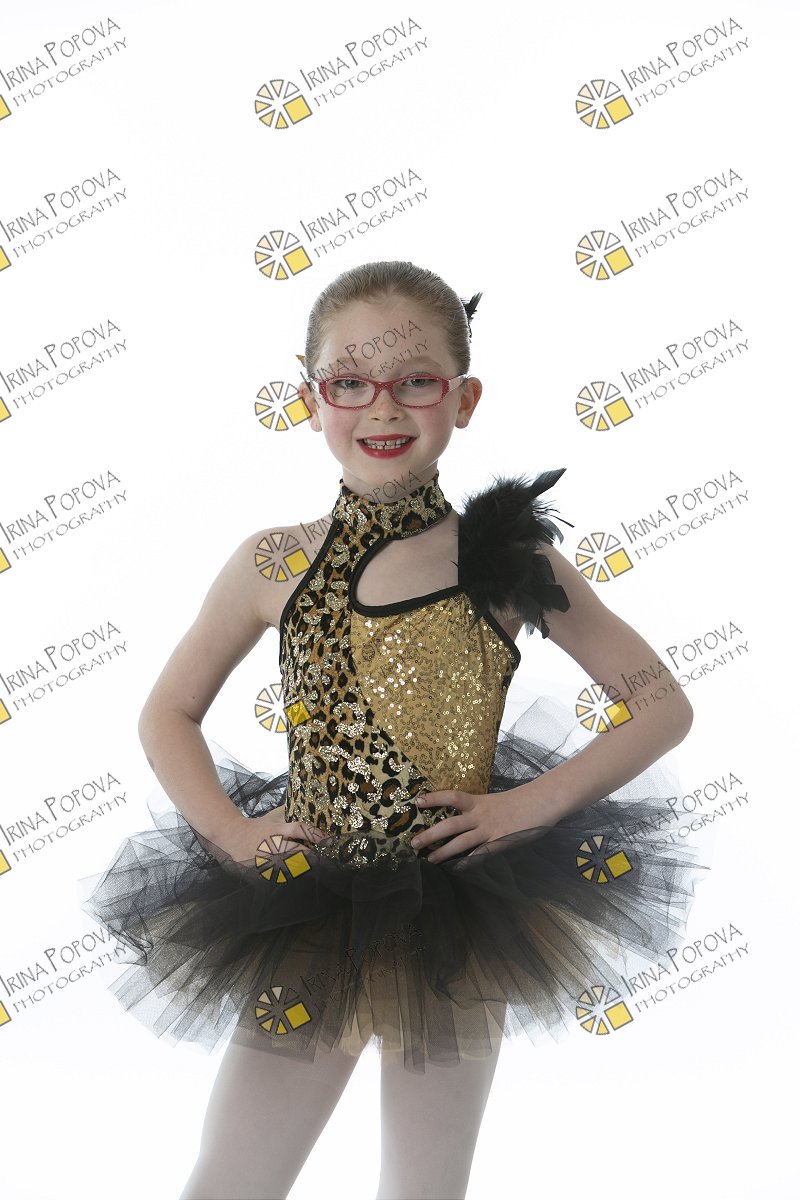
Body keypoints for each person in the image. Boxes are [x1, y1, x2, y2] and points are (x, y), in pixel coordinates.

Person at [78, 260, 710, 1200]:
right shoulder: (272, 562)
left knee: (425, 1185)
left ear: (464, 398)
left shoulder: (503, 559)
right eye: (350, 382)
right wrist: (234, 833)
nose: (382, 406)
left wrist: (526, 806)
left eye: (416, 381)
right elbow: (167, 712)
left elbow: (660, 702)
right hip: (306, 909)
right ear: (310, 399)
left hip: (458, 915)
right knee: (234, 1176)